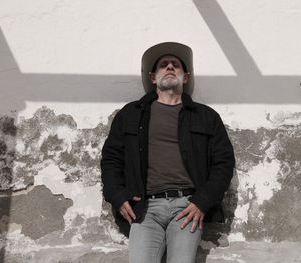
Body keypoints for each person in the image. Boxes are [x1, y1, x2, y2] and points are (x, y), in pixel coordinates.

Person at [100, 42, 235, 263]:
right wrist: (117, 196)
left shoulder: (206, 116)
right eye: (164, 65)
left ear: (186, 77)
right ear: (153, 77)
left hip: (187, 207)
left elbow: (223, 162)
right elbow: (111, 159)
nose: (170, 67)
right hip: (145, 209)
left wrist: (202, 201)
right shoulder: (130, 114)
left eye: (176, 65)